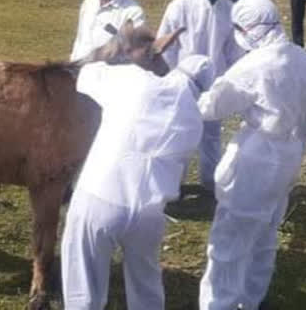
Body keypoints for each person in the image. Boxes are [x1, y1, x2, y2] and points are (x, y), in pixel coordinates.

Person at [197, 0, 306, 310]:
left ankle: (221, 304)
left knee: (228, 242)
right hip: (288, 155)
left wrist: (197, 89)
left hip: (256, 158)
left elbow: (213, 107)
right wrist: (295, 146)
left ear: (247, 29)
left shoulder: (252, 66)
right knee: (266, 233)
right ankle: (252, 299)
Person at [61, 55, 216, 310]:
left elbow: (85, 73)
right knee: (146, 286)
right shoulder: (193, 123)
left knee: (84, 281)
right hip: (149, 212)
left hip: (100, 198)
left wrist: (121, 55)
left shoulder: (135, 80)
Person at [156, 0, 242, 192]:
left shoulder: (229, 11)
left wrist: (230, 80)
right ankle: (174, 185)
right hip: (183, 80)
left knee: (211, 134)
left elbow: (234, 51)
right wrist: (168, 79)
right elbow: (166, 45)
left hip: (214, 82)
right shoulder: (180, 6)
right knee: (179, 134)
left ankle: (209, 183)